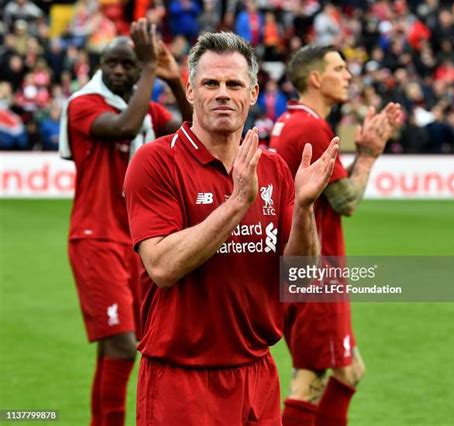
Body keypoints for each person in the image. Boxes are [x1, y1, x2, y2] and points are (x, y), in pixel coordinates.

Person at [123, 31, 339, 425]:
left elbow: (301, 277)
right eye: (210, 83)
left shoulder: (273, 168)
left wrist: (306, 207)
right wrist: (238, 201)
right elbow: (162, 267)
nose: (222, 93)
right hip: (180, 379)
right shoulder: (155, 162)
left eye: (234, 84)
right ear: (189, 90)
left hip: (257, 373)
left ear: (253, 93)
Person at [59, 19, 192, 426]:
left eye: (127, 64)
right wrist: (150, 65)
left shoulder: (143, 105)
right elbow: (124, 127)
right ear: (100, 66)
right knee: (121, 344)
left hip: (134, 240)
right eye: (110, 63)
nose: (118, 71)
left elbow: (191, 130)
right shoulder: (84, 104)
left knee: (118, 348)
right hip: (95, 237)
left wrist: (172, 80)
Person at [269, 45, 403, 426]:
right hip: (317, 274)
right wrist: (368, 156)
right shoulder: (311, 125)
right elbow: (346, 200)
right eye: (339, 68)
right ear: (316, 78)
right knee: (309, 379)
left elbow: (323, 192)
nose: (348, 75)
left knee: (350, 371)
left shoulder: (290, 121)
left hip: (303, 270)